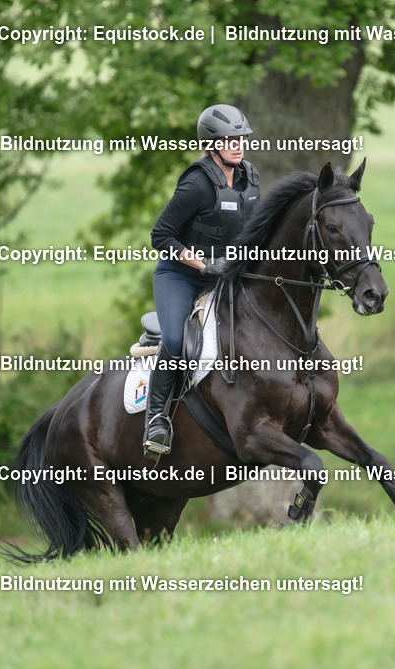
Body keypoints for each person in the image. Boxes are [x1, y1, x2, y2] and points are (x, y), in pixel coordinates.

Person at [142, 104, 261, 460]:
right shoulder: (196, 183)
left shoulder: (250, 178)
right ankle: (156, 420)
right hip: (181, 276)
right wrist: (199, 261)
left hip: (225, 276)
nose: (238, 145)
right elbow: (160, 235)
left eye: (241, 138)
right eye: (230, 140)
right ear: (212, 145)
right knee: (177, 340)